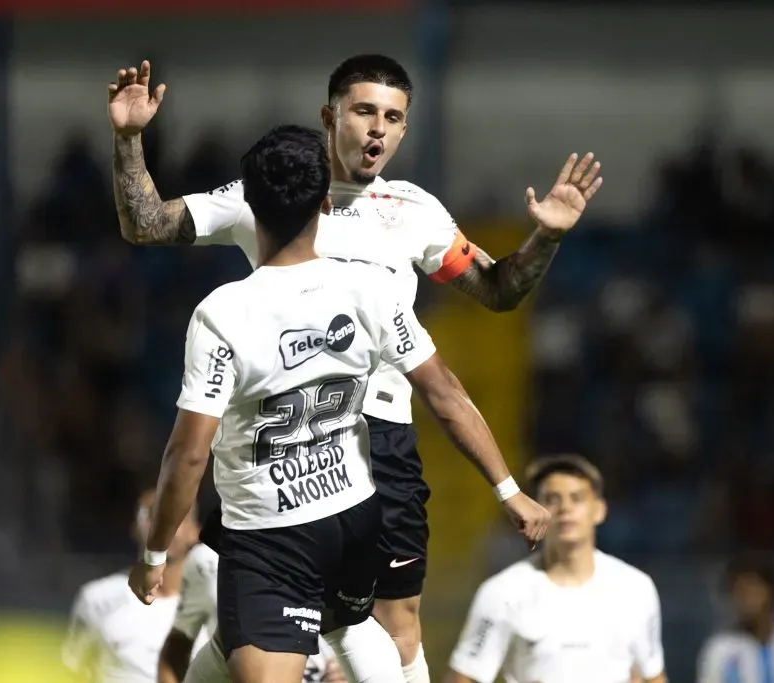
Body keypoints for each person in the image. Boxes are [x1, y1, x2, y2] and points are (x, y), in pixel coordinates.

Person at [108, 53, 600, 683]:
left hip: (381, 441)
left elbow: (499, 290)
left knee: (392, 628)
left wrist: (547, 238)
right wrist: (128, 141)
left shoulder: (412, 210)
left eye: (394, 118)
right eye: (365, 111)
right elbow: (146, 222)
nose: (378, 130)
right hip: (280, 449)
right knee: (264, 633)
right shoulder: (262, 196)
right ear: (329, 114)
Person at [445, 454, 667, 683]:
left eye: (577, 498)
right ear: (532, 509)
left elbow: (653, 675)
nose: (565, 508)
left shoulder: (636, 588)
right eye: (552, 499)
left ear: (599, 510)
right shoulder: (502, 592)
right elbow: (464, 676)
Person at [62, 489, 203, 683]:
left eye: (178, 516)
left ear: (194, 531)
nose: (165, 525)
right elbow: (72, 672)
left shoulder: (214, 607)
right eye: (154, 515)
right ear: (136, 528)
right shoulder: (97, 598)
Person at [159, 541, 345, 683]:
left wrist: (346, 669)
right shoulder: (207, 559)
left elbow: (355, 624)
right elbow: (177, 645)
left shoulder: (334, 543)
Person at [696, 553, 774, 683]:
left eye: (751, 589)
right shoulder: (719, 649)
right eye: (738, 592)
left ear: (771, 591)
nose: (745, 599)